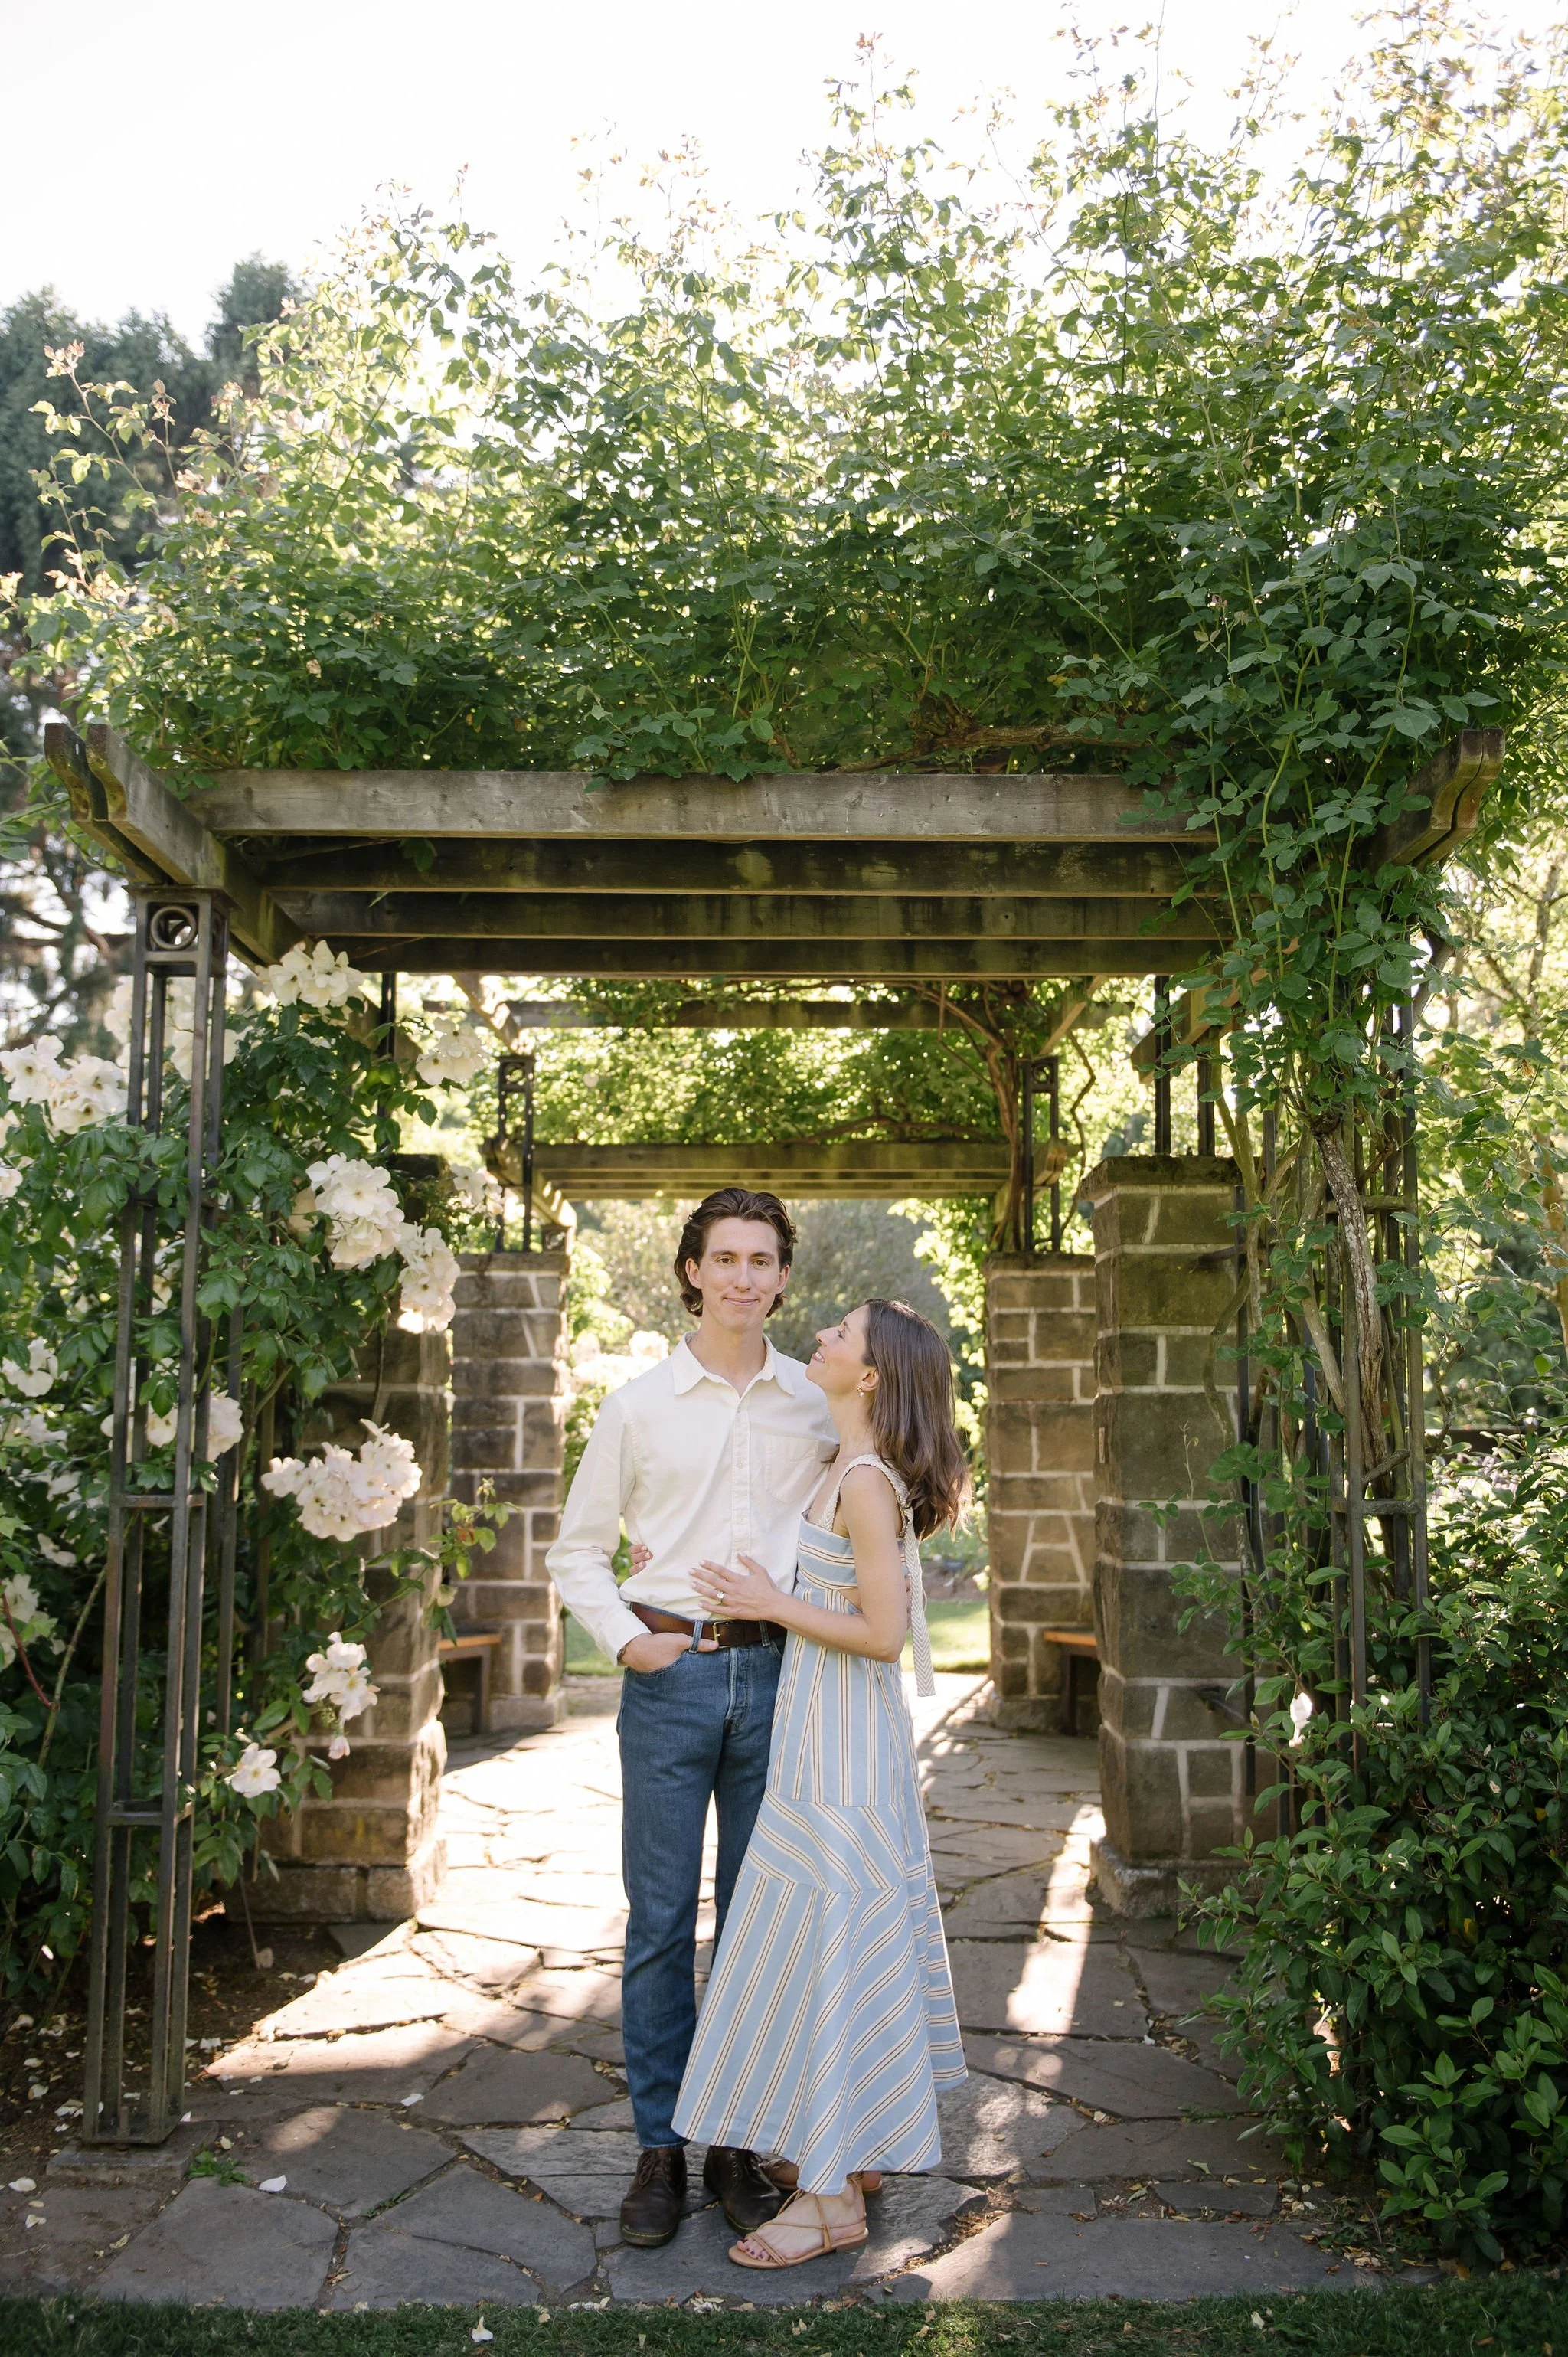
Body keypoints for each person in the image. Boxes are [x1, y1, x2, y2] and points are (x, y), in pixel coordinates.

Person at [546, 1188, 838, 2251]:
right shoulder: (637, 1406)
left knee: (761, 1927)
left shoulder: (816, 1400)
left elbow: (867, 1508)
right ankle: (661, 2149)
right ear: (691, 1270)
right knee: (662, 1924)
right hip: (668, 1677)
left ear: (783, 1278)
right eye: (726, 1258)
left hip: (779, 1681)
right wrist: (629, 1638)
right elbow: (577, 1546)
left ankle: (738, 2146)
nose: (745, 1278)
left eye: (764, 1260)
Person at [671, 1296, 969, 2270]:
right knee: (825, 1943)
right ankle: (853, 2154)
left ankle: (833, 2201)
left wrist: (770, 1603)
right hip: (822, 1738)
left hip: (843, 1751)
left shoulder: (869, 1481)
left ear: (871, 1375)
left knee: (834, 1944)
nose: (825, 1337)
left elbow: (881, 1635)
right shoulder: (845, 1465)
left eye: (843, 1333)